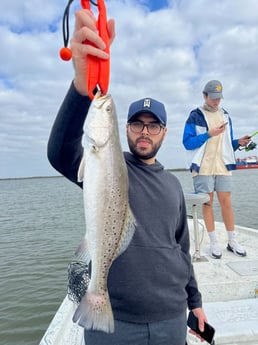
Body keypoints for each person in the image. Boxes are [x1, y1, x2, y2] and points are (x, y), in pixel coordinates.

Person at [47, 9, 207, 345]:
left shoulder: (174, 186)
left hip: (171, 318)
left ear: (164, 132)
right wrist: (81, 84)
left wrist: (196, 303)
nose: (144, 132)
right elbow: (60, 153)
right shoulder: (107, 165)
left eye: (153, 125)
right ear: (126, 129)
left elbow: (182, 249)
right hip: (116, 321)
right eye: (136, 123)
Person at [182, 80, 251, 259]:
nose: (216, 101)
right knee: (208, 202)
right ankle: (213, 242)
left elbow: (228, 144)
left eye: (219, 98)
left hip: (222, 164)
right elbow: (187, 143)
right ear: (204, 95)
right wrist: (208, 134)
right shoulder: (195, 116)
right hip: (203, 166)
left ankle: (232, 241)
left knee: (226, 201)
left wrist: (239, 143)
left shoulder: (225, 115)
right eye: (213, 98)